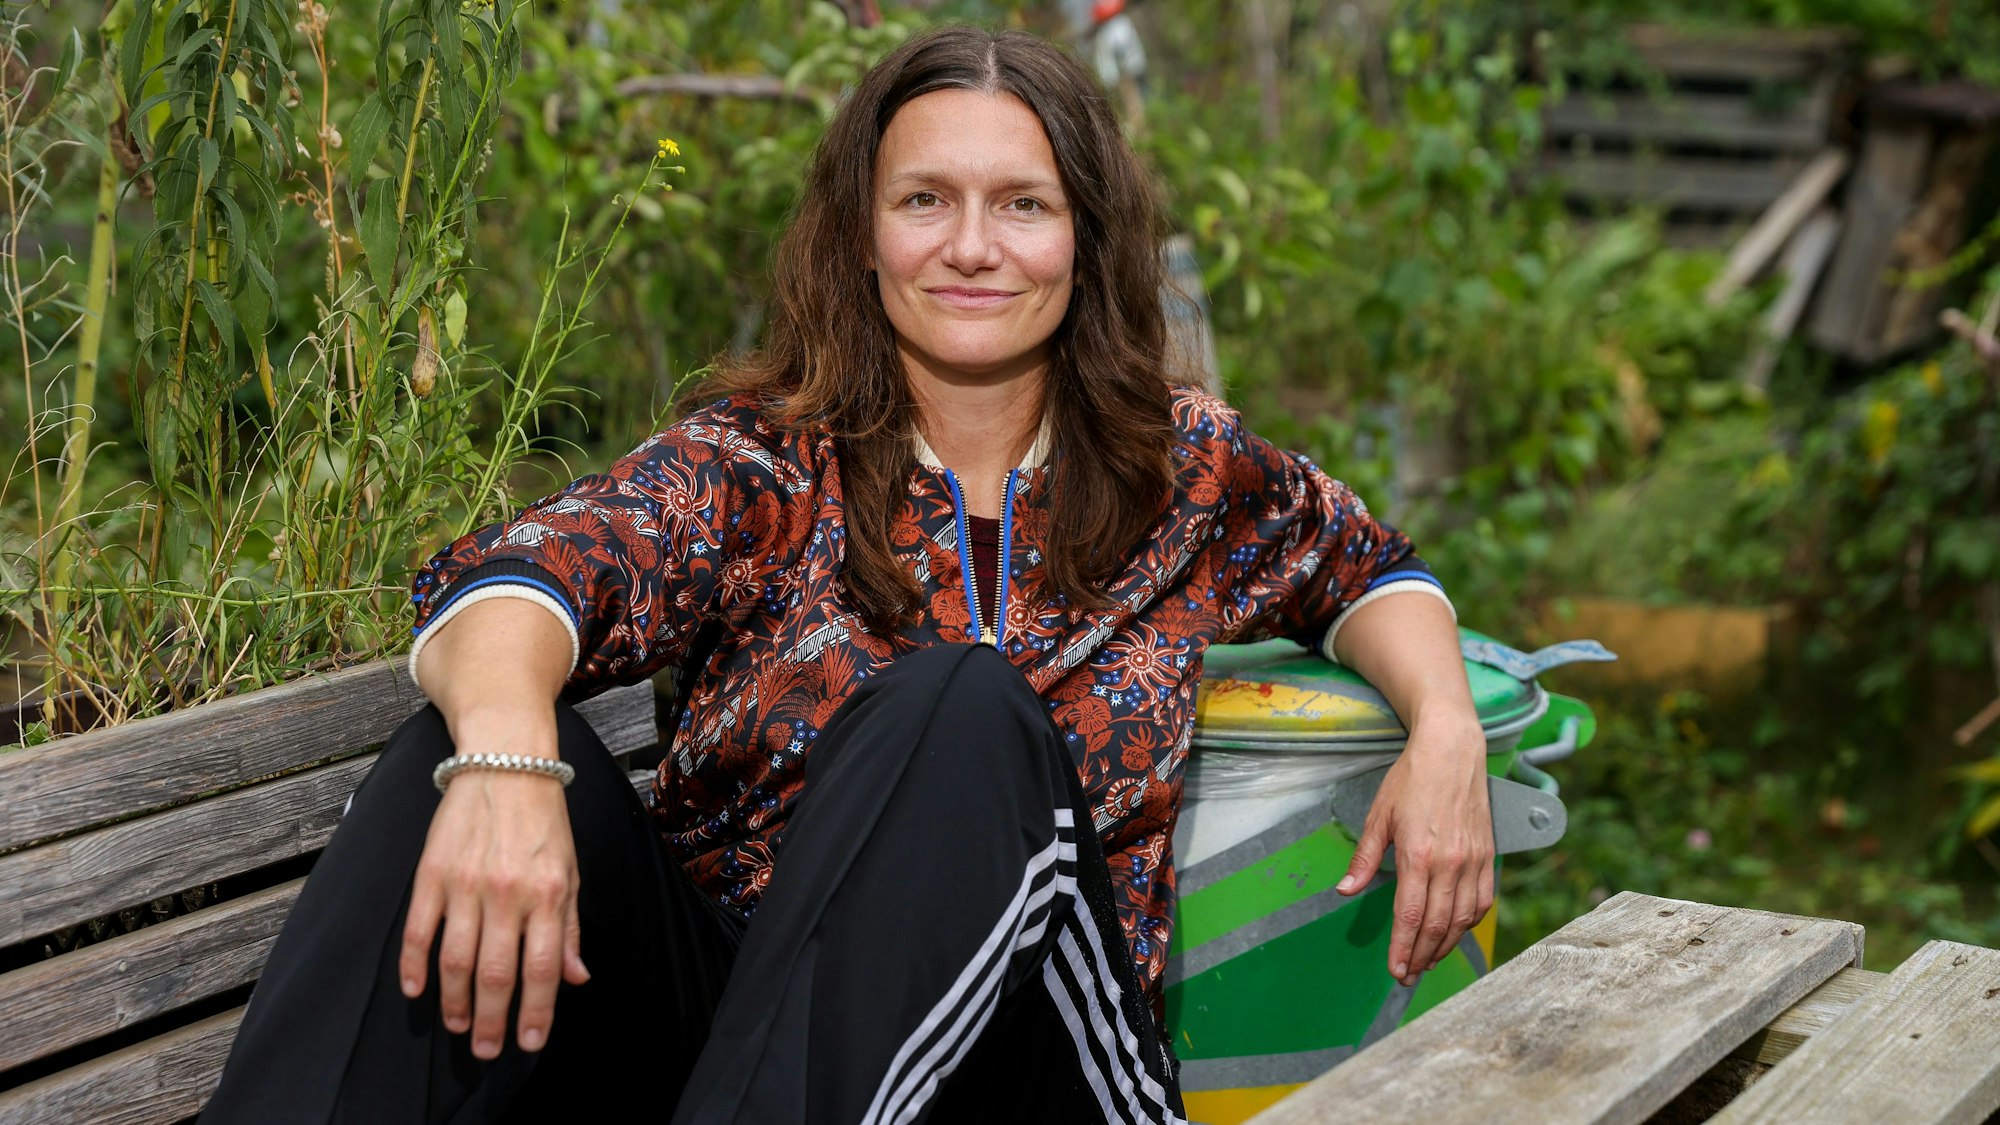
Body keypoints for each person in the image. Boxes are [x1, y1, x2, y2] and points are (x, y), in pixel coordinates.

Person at [203, 24, 1493, 1125]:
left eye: (1023, 204)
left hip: (1035, 1071)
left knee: (961, 707)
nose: (972, 247)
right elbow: (525, 573)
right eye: (925, 200)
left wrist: (1445, 727)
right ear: (863, 235)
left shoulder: (1181, 470)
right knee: (455, 759)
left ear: (1086, 241)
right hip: (744, 1043)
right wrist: (502, 764)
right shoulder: (762, 465)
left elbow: (1370, 571)